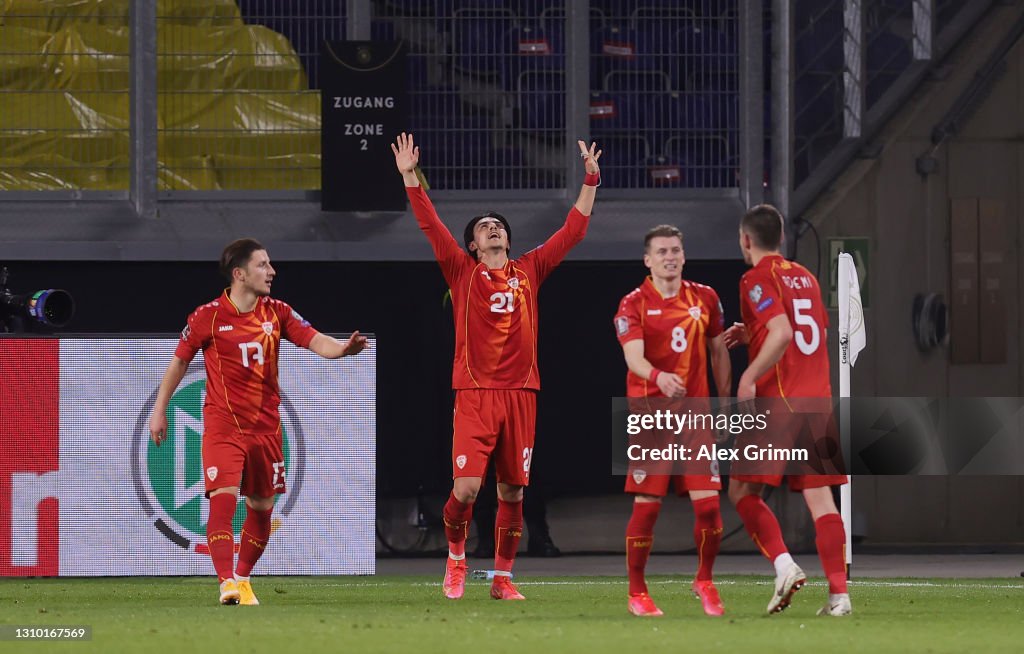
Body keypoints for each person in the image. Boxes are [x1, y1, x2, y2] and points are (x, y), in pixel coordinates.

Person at [391, 132, 600, 601]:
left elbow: (574, 231)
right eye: (484, 226)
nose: (493, 228)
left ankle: (503, 580)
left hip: (522, 395)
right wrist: (409, 176)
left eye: (498, 224)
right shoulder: (462, 272)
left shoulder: (530, 269)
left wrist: (591, 179)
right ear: (472, 244)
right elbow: (430, 224)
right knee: (464, 491)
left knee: (513, 494)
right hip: (475, 394)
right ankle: (457, 561)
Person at [148, 238, 368, 606]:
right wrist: (159, 410)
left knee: (262, 507)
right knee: (223, 500)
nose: (272, 271)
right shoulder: (208, 316)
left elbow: (315, 340)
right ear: (240, 274)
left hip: (266, 429)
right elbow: (180, 361)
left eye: (270, 264)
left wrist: (343, 350)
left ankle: (244, 579)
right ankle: (226, 582)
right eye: (263, 265)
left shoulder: (278, 312)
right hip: (223, 426)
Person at [722, 204, 851, 616]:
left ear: (746, 240)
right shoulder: (807, 277)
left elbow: (782, 332)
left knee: (742, 490)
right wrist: (753, 332)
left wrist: (748, 377)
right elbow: (804, 330)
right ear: (781, 238)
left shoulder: (755, 277)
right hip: (818, 401)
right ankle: (839, 598)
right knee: (822, 501)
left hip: (779, 401)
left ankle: (784, 566)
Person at [613, 225, 732, 617]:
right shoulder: (633, 304)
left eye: (676, 250)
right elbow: (633, 357)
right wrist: (658, 376)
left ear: (683, 255)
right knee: (647, 505)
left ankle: (705, 580)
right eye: (662, 251)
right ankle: (637, 592)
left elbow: (718, 350)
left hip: (696, 417)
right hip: (652, 418)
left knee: (710, 507)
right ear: (647, 260)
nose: (670, 257)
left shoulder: (706, 297)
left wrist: (726, 399)